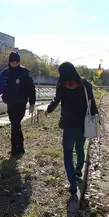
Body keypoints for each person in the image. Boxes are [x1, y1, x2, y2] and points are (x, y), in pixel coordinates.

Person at [44, 61, 99, 194]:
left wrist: (48, 110)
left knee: (67, 154)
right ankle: (79, 169)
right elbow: (91, 103)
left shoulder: (61, 86)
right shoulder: (86, 85)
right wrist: (95, 117)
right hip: (83, 124)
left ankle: (72, 183)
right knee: (80, 148)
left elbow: (55, 101)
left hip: (68, 125)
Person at [0, 51, 36, 156]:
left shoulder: (24, 72)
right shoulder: (5, 73)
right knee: (15, 124)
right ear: (9, 62)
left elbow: (31, 89)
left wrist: (32, 103)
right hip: (10, 102)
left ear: (19, 62)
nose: (15, 63)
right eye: (13, 61)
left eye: (17, 62)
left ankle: (14, 149)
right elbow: (1, 86)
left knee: (15, 124)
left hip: (21, 102)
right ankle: (21, 147)